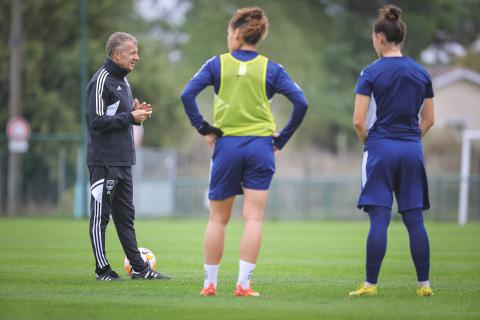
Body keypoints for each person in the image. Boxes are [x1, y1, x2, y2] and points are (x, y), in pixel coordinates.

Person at [181, 7, 308, 296]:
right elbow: (301, 103)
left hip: (226, 146)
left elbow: (186, 94)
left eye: (228, 33)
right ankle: (243, 284)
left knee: (217, 219)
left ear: (237, 33)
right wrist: (282, 139)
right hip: (261, 146)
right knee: (253, 218)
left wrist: (204, 128)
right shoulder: (271, 68)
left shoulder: (216, 64)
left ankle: (209, 284)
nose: (228, 38)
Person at [349, 5, 435, 297]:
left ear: (379, 37)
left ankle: (371, 285)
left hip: (381, 149)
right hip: (412, 150)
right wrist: (411, 139)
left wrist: (369, 143)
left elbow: (359, 120)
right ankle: (424, 285)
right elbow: (430, 119)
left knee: (380, 219)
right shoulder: (421, 72)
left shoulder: (371, 72)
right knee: (415, 220)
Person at [86, 32, 170, 281]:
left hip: (124, 161)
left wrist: (136, 114)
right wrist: (129, 117)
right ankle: (102, 270)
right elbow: (96, 121)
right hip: (104, 161)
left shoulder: (123, 82)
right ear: (117, 54)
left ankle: (139, 269)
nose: (137, 57)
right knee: (100, 216)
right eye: (133, 52)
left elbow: (119, 119)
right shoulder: (101, 80)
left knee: (126, 217)